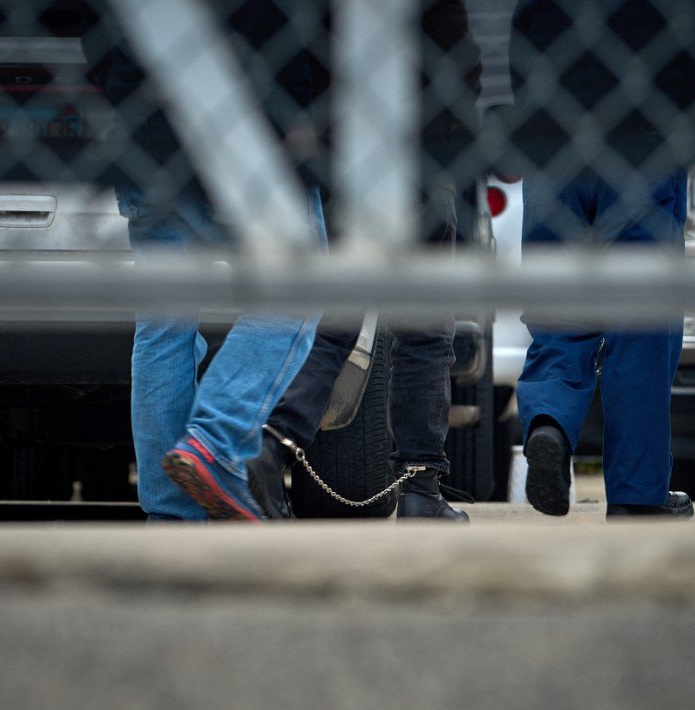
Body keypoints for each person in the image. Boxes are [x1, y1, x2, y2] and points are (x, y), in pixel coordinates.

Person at [84, 0, 327, 521]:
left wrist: (124, 90)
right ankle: (214, 438)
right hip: (252, 121)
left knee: (163, 325)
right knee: (300, 288)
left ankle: (171, 515)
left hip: (146, 125)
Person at [245, 0, 482, 522]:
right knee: (422, 330)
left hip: (340, 149)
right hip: (414, 148)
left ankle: (272, 446)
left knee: (339, 314)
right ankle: (421, 488)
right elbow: (456, 56)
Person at [508, 0, 695, 519]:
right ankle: (636, 494)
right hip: (644, 147)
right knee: (640, 327)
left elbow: (520, 50)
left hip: (553, 151)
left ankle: (549, 423)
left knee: (558, 315)